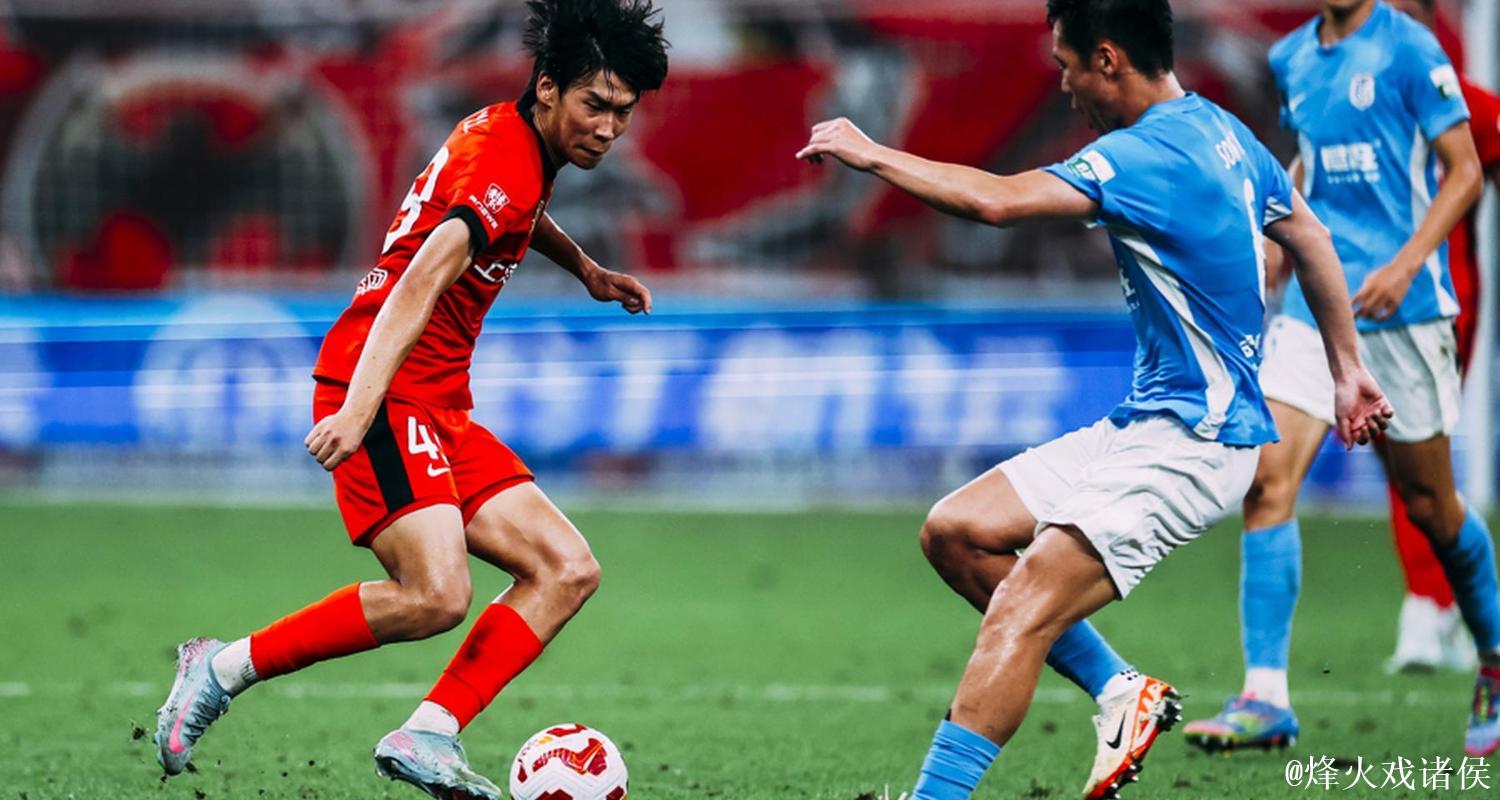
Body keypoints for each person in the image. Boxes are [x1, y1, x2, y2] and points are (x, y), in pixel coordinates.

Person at [796, 0, 1390, 796]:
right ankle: (1120, 691)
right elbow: (1309, 234)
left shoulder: (1145, 154)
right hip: (1147, 423)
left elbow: (996, 202)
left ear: (1107, 58)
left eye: (1067, 66)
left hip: (1194, 443)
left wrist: (872, 154)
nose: (1065, 85)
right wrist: (1347, 368)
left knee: (1023, 606)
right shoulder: (1222, 130)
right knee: (958, 533)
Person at [151, 1, 668, 796]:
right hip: (385, 387)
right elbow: (421, 279)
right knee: (436, 595)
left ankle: (429, 734)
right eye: (595, 105)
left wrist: (586, 270)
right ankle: (221, 670)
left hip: (437, 401)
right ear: (548, 87)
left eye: (622, 113)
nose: (607, 129)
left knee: (565, 568)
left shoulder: (509, 137)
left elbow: (520, 213)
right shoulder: (505, 163)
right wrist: (359, 411)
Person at [1182, 0, 1499, 759]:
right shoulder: (1293, 57)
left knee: (1431, 507)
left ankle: (1493, 655)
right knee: (1267, 478)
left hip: (1404, 310)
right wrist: (1280, 234)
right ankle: (1265, 696)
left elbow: (1465, 173)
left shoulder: (1409, 47)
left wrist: (1407, 264)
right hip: (1317, 305)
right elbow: (1311, 162)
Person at [1383, 0, 1500, 675]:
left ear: (1432, 23)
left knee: (1417, 463)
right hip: (1365, 304)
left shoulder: (1469, 107)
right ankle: (1443, 603)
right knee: (1407, 465)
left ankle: (1430, 608)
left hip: (1437, 304)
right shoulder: (1352, 98)